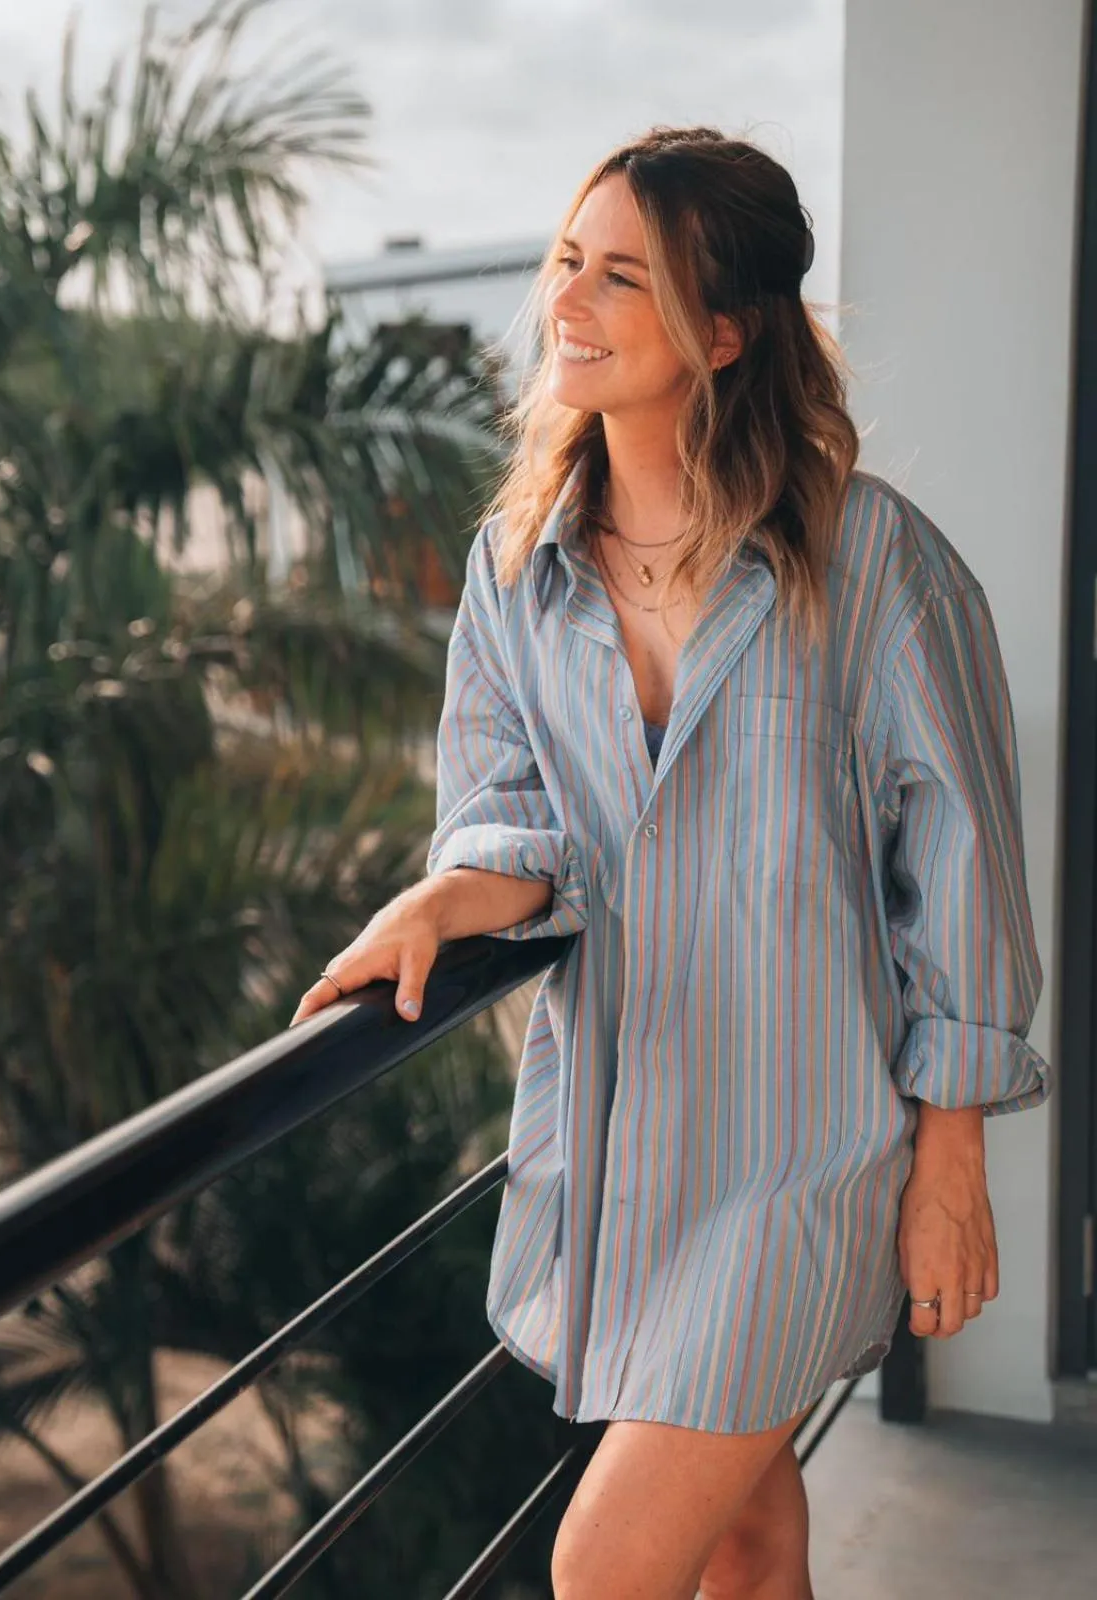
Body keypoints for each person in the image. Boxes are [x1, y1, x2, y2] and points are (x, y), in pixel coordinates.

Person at [289, 125, 1052, 1600]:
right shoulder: (518, 567)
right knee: (752, 1544)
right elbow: (513, 811)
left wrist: (949, 1157)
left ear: (722, 330)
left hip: (806, 1154)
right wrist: (447, 897)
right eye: (569, 261)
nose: (567, 298)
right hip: (628, 1150)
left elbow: (963, 859)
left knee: (605, 1568)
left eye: (621, 277)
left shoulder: (872, 559)